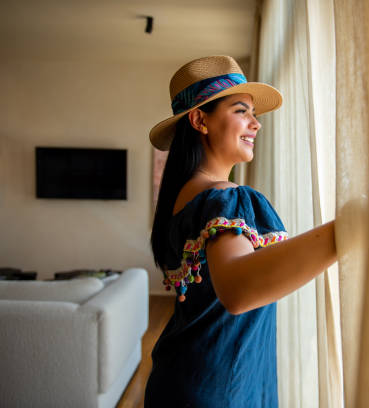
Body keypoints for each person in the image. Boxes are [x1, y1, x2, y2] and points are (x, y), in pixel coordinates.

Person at [145, 56, 337, 407]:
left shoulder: (184, 198)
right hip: (220, 387)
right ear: (200, 119)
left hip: (184, 377)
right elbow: (238, 289)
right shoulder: (224, 198)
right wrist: (344, 232)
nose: (256, 124)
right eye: (241, 111)